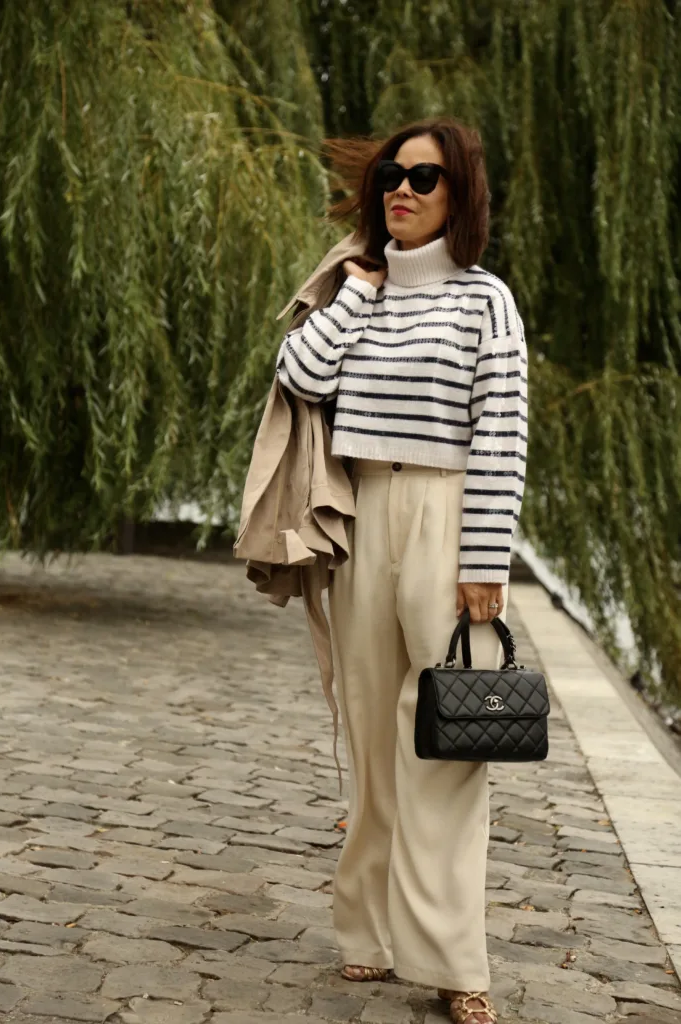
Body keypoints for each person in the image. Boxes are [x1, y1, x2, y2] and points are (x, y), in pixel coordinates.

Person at [276, 117, 527, 1024]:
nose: (402, 190)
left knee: (450, 745)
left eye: (424, 177)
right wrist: (353, 296)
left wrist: (483, 557)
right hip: (363, 516)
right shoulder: (357, 286)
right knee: (371, 738)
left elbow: (500, 435)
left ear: (459, 194)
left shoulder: (484, 300)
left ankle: (458, 962)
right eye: (391, 173)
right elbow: (298, 375)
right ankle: (366, 935)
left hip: (443, 513)